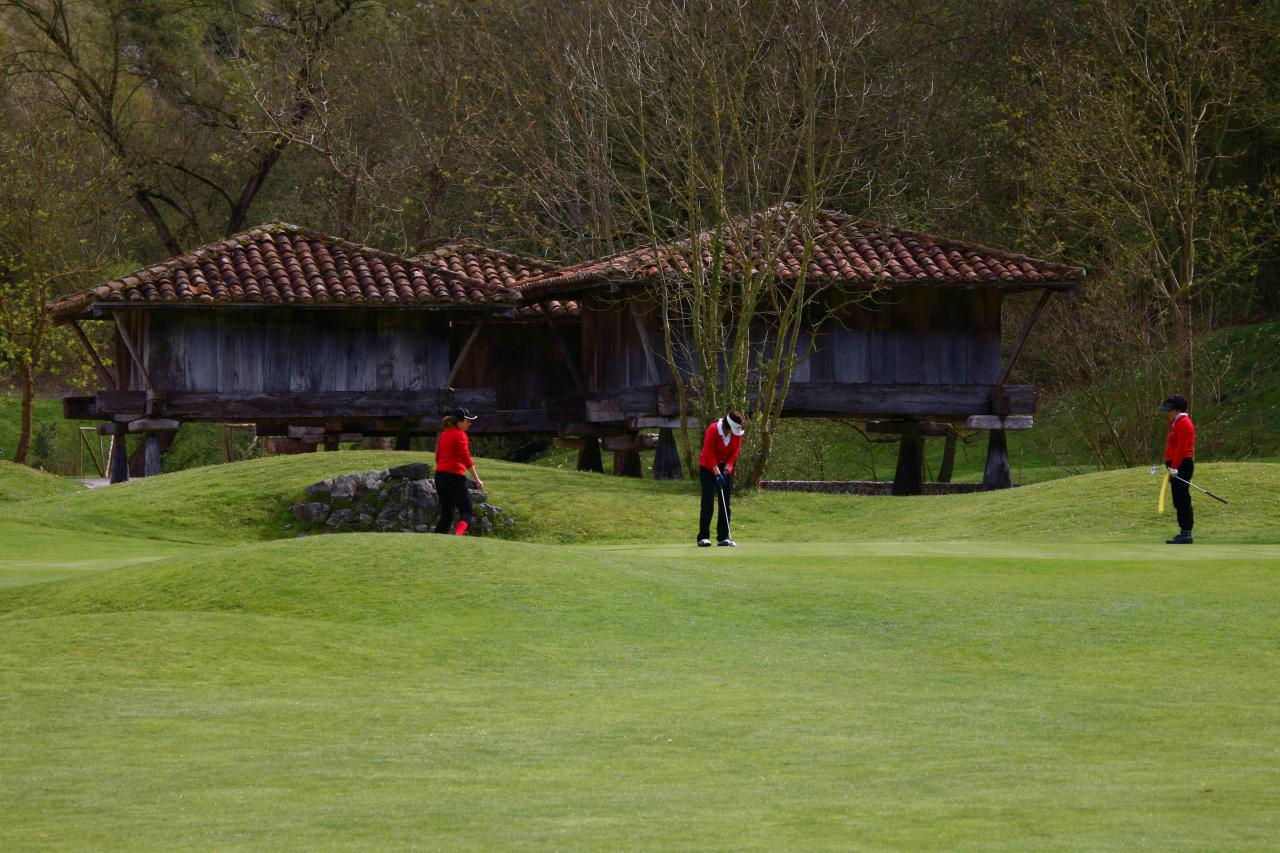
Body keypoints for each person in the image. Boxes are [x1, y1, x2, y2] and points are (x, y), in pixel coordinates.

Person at [696, 410, 745, 547]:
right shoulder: (712, 429)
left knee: (725, 503)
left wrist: (725, 470)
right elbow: (708, 453)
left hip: (724, 467)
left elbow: (735, 452)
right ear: (727, 426)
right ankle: (703, 537)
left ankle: (723, 537)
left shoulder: (736, 433)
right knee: (708, 502)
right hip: (707, 467)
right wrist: (717, 473)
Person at [434, 406, 485, 535]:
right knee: (467, 511)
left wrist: (443, 471)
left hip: (439, 477)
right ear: (459, 421)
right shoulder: (461, 435)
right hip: (454, 477)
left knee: (447, 514)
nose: (470, 423)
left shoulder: (444, 434)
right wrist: (477, 480)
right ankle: (458, 536)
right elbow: (466, 458)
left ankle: (435, 540)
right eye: (467, 420)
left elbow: (438, 457)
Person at [1160, 394, 1196, 544]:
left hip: (1182, 465)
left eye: (1170, 410)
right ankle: (1184, 532)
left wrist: (1174, 467)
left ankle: (1186, 534)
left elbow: (1182, 448)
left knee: (1182, 500)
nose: (1168, 413)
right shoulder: (1177, 423)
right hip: (1177, 466)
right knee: (1178, 500)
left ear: (1178, 410)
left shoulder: (1184, 423)